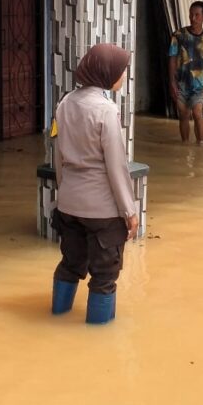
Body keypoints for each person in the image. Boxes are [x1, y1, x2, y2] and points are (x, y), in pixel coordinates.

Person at [50, 43, 140, 325]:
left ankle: (56, 317)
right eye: (121, 71)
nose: (123, 76)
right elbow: (116, 166)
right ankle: (98, 337)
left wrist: (64, 193)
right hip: (102, 212)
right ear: (105, 72)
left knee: (70, 264)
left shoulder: (64, 104)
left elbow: (58, 157)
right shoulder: (106, 110)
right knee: (104, 277)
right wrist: (130, 211)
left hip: (69, 206)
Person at [168, 0, 203, 145]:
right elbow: (172, 58)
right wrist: (172, 82)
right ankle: (185, 145)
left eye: (197, 15)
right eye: (191, 14)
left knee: (197, 114)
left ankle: (201, 145)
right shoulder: (178, 35)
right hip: (181, 83)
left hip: (198, 85)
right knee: (183, 115)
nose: (193, 18)